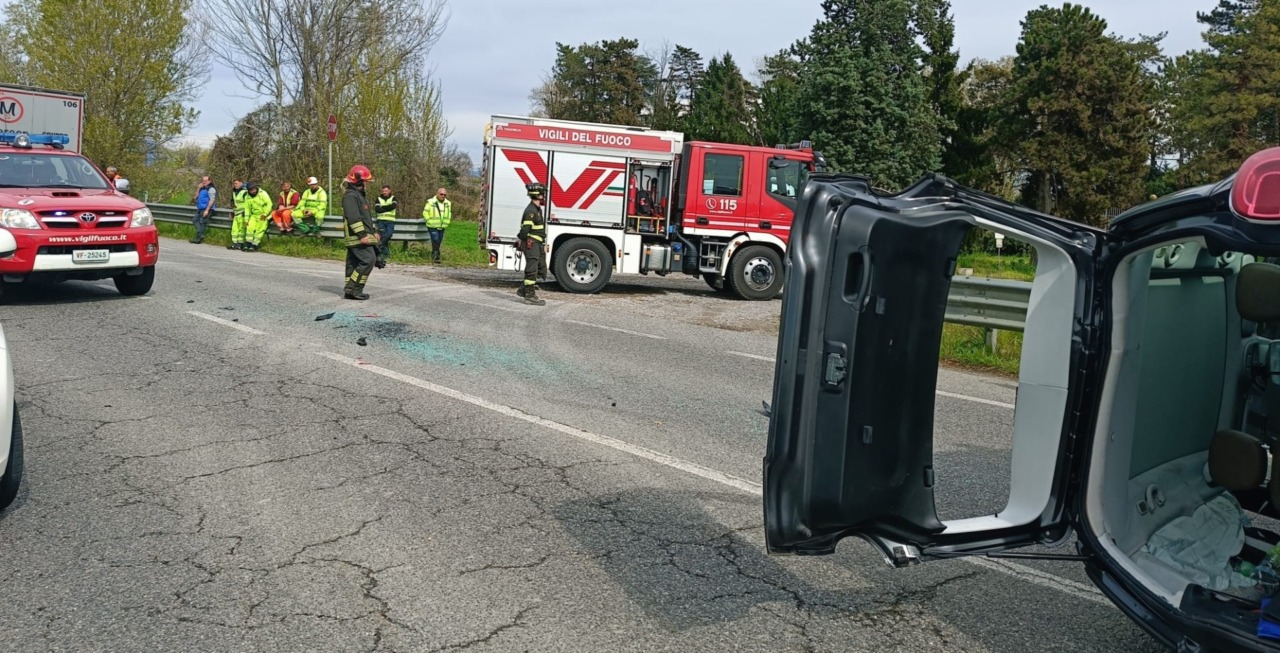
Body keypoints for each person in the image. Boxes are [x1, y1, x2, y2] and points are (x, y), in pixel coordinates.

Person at [341, 165, 379, 300]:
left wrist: (373, 231)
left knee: (353, 263)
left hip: (359, 235)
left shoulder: (359, 196)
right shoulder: (351, 196)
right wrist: (362, 235)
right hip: (356, 237)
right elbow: (353, 217)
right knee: (369, 259)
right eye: (365, 181)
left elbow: (365, 218)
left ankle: (350, 291)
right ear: (359, 181)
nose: (367, 184)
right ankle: (353, 288)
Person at [516, 182, 547, 306]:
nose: (544, 196)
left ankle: (523, 289)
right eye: (542, 194)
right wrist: (521, 239)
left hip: (537, 244)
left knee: (541, 268)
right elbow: (525, 230)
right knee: (531, 270)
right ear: (538, 195)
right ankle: (529, 296)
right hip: (531, 244)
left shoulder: (537, 209)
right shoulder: (531, 211)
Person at [421, 187, 451, 264]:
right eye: (441, 194)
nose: (443, 196)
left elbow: (449, 213)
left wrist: (448, 221)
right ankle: (436, 257)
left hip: (442, 226)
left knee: (438, 242)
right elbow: (425, 212)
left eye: (445, 195)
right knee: (435, 240)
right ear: (437, 194)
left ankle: (435, 256)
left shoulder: (448, 203)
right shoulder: (431, 202)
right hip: (432, 225)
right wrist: (429, 220)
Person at [242, 182, 274, 251]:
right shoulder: (247, 196)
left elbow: (269, 204)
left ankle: (255, 244)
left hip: (263, 214)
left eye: (253, 189)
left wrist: (265, 214)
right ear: (248, 190)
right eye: (251, 190)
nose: (253, 191)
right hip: (254, 215)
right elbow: (247, 208)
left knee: (259, 230)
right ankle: (248, 243)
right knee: (249, 228)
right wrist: (246, 219)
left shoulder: (262, 193)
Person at [373, 185, 398, 268]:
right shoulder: (378, 199)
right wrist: (387, 208)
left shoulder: (393, 198)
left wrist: (382, 207)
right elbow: (377, 209)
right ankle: (384, 256)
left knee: (388, 235)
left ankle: (377, 248)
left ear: (389, 191)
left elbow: (393, 206)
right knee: (384, 237)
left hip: (390, 221)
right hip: (381, 221)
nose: (384, 192)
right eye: (383, 191)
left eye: (386, 191)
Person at [191, 175, 216, 244]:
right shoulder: (202, 188)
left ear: (210, 181)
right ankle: (200, 235)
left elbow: (212, 200)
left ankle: (198, 239)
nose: (204, 182)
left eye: (206, 181)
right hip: (200, 208)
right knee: (194, 220)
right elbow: (195, 198)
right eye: (203, 181)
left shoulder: (211, 189)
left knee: (202, 222)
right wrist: (198, 188)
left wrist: (207, 210)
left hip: (207, 208)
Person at [227, 179, 248, 250]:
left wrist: (245, 213)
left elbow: (248, 203)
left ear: (241, 183)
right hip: (236, 213)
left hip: (242, 213)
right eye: (234, 183)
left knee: (241, 229)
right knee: (234, 229)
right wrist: (233, 210)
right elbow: (232, 201)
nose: (235, 185)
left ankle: (240, 243)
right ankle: (234, 243)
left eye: (236, 183)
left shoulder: (245, 192)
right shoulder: (234, 191)